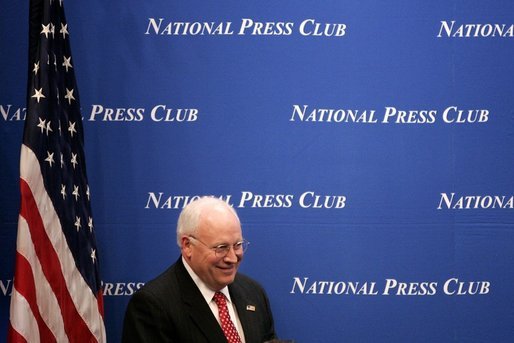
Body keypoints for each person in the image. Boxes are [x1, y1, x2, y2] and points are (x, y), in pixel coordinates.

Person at [122, 196, 277, 343]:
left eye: (237, 245)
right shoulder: (153, 306)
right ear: (188, 246)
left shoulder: (253, 293)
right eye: (221, 248)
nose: (232, 258)